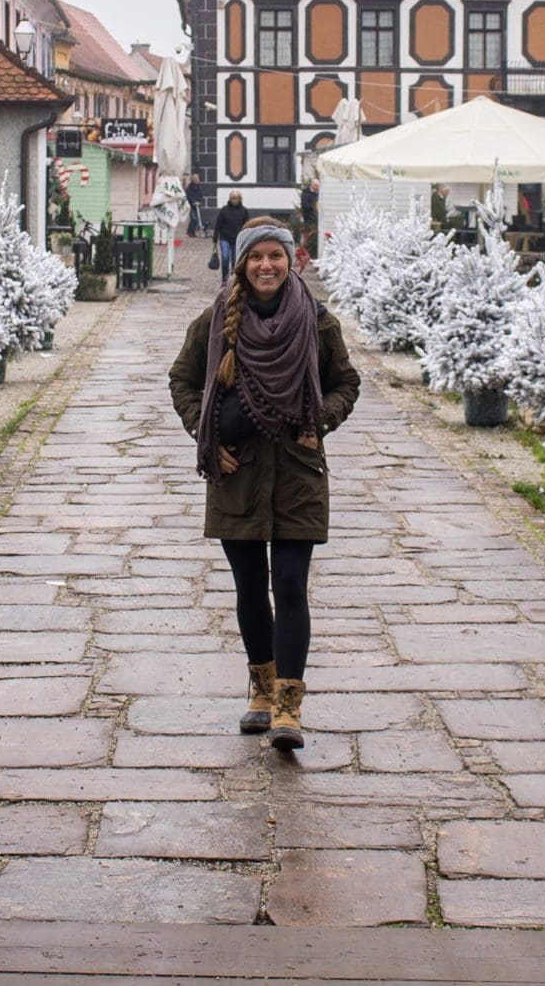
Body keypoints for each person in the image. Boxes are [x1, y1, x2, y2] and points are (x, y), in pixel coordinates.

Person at [168, 218, 360, 751]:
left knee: (292, 587)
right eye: (257, 258)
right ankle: (261, 689)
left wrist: (319, 420)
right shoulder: (216, 321)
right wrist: (204, 433)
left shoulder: (318, 323)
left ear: (291, 260)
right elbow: (182, 380)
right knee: (250, 588)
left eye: (275, 256)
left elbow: (347, 381)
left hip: (298, 475)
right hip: (239, 475)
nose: (266, 266)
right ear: (242, 264)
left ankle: (289, 708)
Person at [212, 190, 250, 281]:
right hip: (225, 238)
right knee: (225, 258)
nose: (234, 200)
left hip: (237, 239)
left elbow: (247, 225)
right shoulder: (224, 210)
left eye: (236, 198)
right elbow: (218, 224)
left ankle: (233, 278)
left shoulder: (244, 211)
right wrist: (215, 237)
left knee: (235, 260)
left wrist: (247, 238)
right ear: (230, 199)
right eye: (233, 198)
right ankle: (224, 278)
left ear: (239, 199)